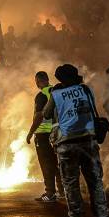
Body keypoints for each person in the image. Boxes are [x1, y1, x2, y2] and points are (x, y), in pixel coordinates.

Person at [43, 64, 109, 217]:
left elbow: (46, 113)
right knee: (95, 179)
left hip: (67, 142)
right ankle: (102, 214)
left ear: (60, 79)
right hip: (88, 139)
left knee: (71, 182)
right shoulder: (86, 90)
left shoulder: (56, 93)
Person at [26, 71, 64, 202]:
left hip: (43, 134)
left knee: (46, 164)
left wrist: (31, 132)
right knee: (58, 162)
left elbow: (39, 115)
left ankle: (50, 193)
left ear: (38, 81)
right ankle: (62, 190)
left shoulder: (41, 95)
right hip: (58, 132)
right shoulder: (58, 92)